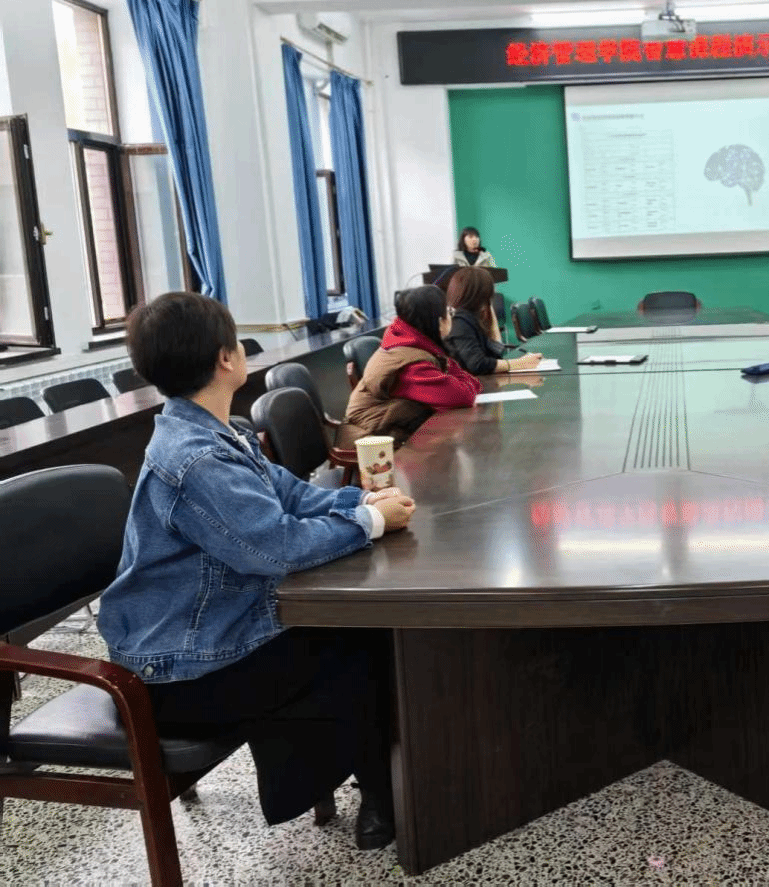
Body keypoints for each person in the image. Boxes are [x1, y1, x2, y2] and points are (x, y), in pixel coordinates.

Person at [96, 292, 416, 851]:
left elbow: (289, 494)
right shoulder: (197, 458)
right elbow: (273, 548)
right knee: (360, 642)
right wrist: (367, 522)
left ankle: (371, 780)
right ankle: (380, 794)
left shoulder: (217, 431)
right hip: (176, 671)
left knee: (355, 633)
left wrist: (364, 503)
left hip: (201, 636)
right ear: (226, 358)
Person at [343, 285, 482, 444]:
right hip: (372, 438)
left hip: (395, 425)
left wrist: (464, 382)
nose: (452, 317)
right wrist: (465, 383)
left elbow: (471, 386)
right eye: (449, 312)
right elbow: (463, 396)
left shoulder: (412, 343)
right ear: (439, 322)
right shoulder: (412, 364)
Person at [443, 266, 542, 375]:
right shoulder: (460, 321)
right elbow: (477, 364)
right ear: (481, 293)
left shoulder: (471, 317)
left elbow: (495, 354)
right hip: (471, 382)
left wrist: (491, 316)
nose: (493, 294)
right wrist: (520, 363)